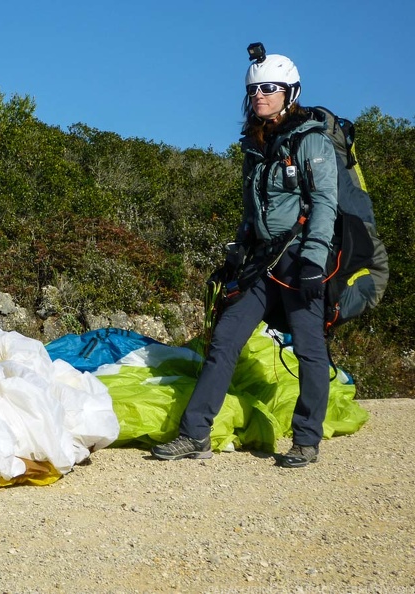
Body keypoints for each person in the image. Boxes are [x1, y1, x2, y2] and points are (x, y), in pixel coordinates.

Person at [152, 44, 338, 468]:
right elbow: (253, 207)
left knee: (310, 349)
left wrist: (314, 259)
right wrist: (238, 248)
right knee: (224, 340)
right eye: (254, 89)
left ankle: (306, 441)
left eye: (270, 88)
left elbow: (325, 201)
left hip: (299, 261)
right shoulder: (254, 145)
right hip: (261, 262)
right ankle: (194, 433)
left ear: (290, 92)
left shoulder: (311, 141)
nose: (259, 95)